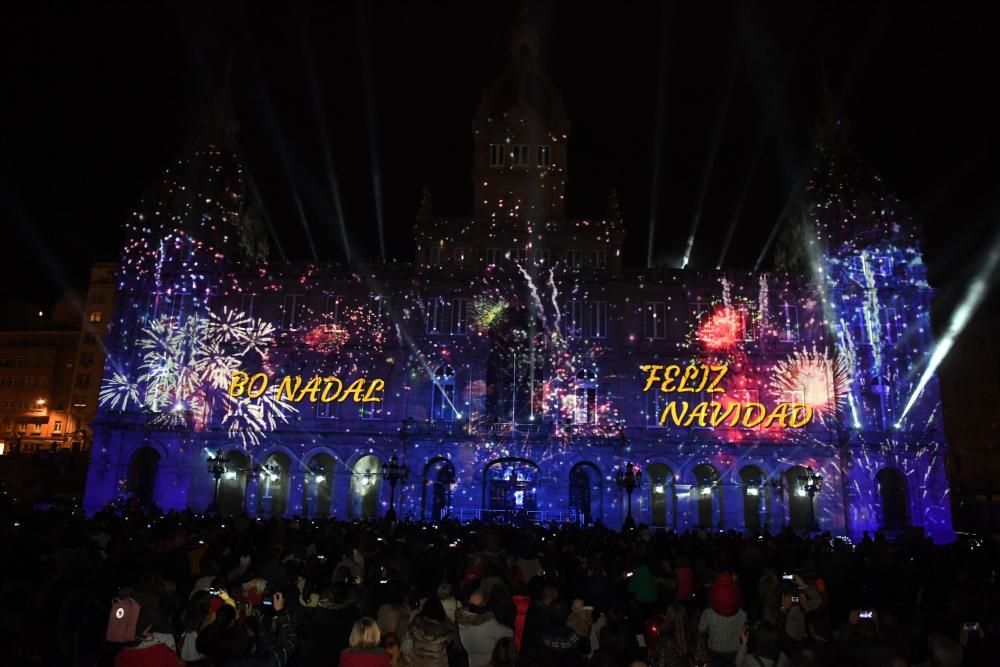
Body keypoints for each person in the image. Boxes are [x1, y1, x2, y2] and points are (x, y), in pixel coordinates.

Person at [698, 572, 747, 664]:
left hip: (713, 654)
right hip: (734, 655)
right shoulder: (742, 614)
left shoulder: (707, 613)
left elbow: (700, 632)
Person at [457, 590, 515, 667]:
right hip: (488, 662)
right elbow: (510, 634)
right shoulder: (489, 623)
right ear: (483, 605)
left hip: (472, 661)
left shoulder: (461, 621)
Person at [407, 597, 454, 667]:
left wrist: (414, 614)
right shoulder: (445, 628)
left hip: (419, 663)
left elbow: (408, 632)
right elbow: (450, 640)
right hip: (437, 664)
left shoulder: (417, 626)